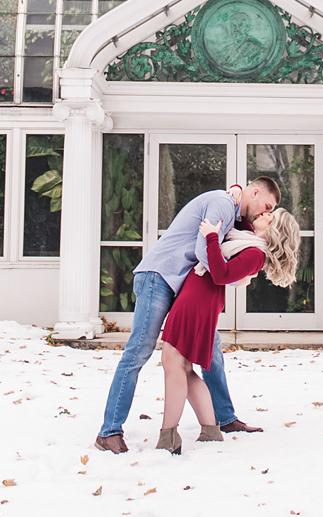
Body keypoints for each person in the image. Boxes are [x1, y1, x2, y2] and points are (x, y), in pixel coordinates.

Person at [92, 175, 280, 453]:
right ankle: (108, 432)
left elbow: (243, 234)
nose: (267, 213)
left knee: (212, 350)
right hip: (159, 276)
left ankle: (223, 418)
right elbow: (204, 251)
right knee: (138, 353)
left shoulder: (235, 212)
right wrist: (222, 277)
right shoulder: (223, 204)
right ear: (254, 193)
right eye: (266, 206)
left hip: (178, 283)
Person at [154, 206, 301, 454]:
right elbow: (240, 213)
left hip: (199, 299)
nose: (265, 214)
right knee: (183, 367)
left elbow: (221, 275)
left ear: (275, 230)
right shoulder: (248, 240)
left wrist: (212, 236)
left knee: (172, 361)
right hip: (197, 295)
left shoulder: (256, 253)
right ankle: (210, 430)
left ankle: (169, 436)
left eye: (271, 216)